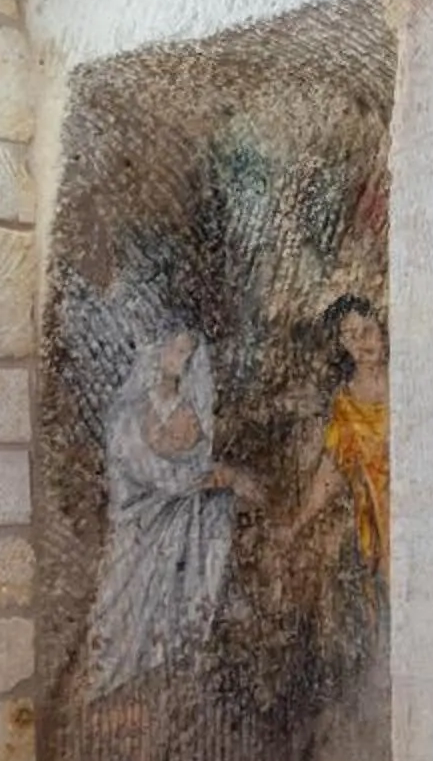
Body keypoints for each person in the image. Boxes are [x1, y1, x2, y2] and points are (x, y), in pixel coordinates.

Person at [85, 327, 260, 696]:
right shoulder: (127, 416)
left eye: (188, 352)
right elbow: (159, 476)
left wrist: (215, 480)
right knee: (120, 620)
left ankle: (168, 696)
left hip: (184, 534)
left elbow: (192, 471)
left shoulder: (192, 412)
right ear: (158, 349)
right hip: (137, 529)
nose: (181, 357)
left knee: (175, 625)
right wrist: (223, 476)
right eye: (176, 348)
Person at [287, 296, 388, 602]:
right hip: (377, 521)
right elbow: (330, 469)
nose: (362, 342)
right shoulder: (345, 403)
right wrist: (296, 525)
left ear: (380, 327)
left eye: (366, 329)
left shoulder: (407, 379)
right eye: (351, 335)